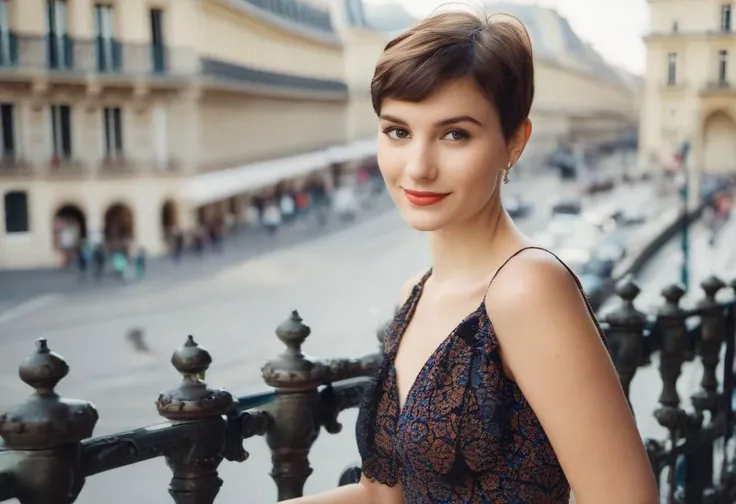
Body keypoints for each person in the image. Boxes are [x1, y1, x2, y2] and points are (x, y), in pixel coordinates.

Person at [285, 7, 658, 504]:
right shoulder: (416, 291)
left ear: (514, 143)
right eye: (398, 131)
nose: (417, 168)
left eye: (454, 134)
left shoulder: (529, 287)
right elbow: (383, 496)